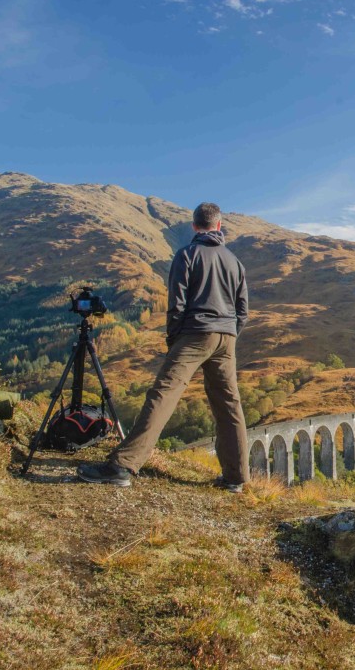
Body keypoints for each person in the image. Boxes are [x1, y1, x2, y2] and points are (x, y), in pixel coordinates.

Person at [78, 202, 251, 492]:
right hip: (226, 337)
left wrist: (174, 339)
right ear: (219, 226)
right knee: (229, 405)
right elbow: (243, 310)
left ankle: (122, 466)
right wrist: (230, 334)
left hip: (195, 333)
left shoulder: (187, 255)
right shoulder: (235, 262)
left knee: (163, 396)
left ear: (195, 226)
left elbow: (177, 305)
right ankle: (236, 478)